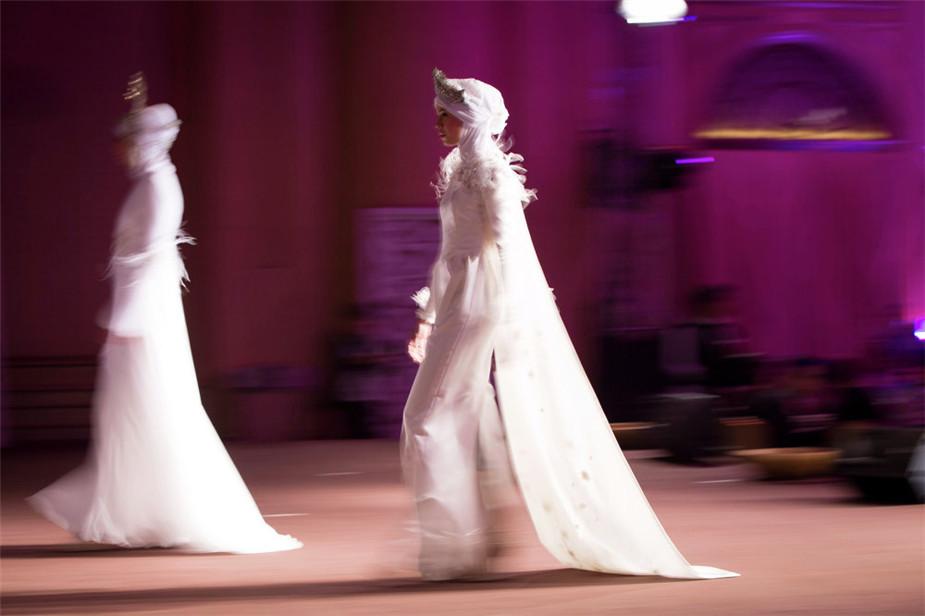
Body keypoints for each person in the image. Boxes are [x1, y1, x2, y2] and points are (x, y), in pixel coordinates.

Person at [400, 69, 737, 581]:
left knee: (425, 417)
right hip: (457, 299)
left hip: (477, 302)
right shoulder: (458, 165)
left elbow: (509, 246)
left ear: (467, 117)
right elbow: (449, 253)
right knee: (460, 415)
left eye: (444, 113)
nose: (437, 122)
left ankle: (454, 545)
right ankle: (472, 542)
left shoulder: (490, 171)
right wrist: (427, 315)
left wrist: (517, 313)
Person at [28, 73, 301, 554]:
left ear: (145, 142)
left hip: (144, 319)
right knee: (129, 410)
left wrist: (122, 320)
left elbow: (147, 260)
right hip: (139, 316)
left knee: (150, 406)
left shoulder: (157, 186)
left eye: (126, 141)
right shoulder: (152, 184)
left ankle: (162, 508)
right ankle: (140, 509)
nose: (119, 150)